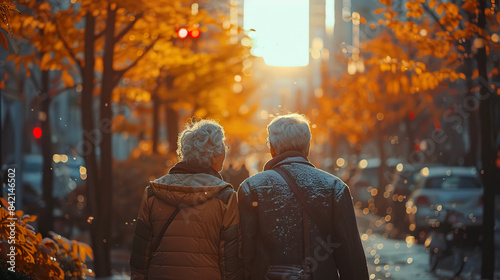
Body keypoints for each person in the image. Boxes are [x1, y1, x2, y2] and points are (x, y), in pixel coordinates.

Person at [238, 113, 369, 280]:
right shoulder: (335, 187)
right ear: (307, 148)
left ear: (272, 149)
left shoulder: (251, 188)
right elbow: (351, 256)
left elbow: (245, 255)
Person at [130, 119, 243, 280]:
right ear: (214, 155)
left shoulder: (153, 193)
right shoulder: (225, 197)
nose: (225, 152)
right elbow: (230, 260)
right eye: (223, 148)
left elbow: (140, 255)